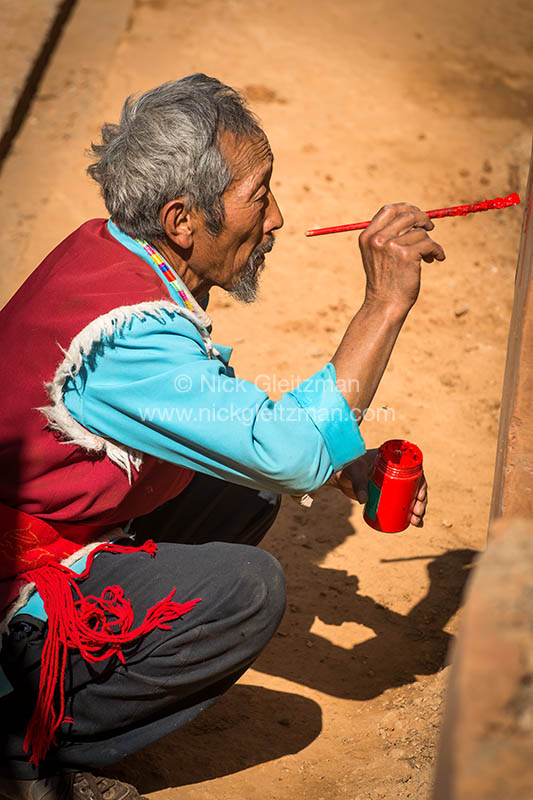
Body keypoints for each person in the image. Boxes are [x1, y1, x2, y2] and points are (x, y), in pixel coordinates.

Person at [0, 74, 442, 800]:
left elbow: (236, 428)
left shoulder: (112, 252)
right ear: (181, 220)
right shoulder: (126, 338)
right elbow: (288, 451)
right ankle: (20, 745)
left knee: (247, 488)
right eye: (257, 194)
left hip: (46, 519)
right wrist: (383, 304)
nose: (275, 219)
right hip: (17, 576)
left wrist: (338, 463)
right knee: (246, 590)